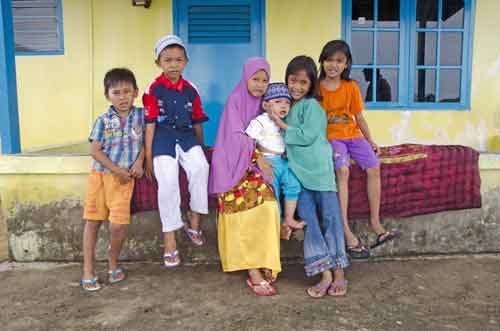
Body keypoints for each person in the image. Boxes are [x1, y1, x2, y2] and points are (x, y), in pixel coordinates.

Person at [270, 56, 349, 298]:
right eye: (293, 81)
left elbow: (307, 135)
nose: (296, 87)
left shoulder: (313, 106)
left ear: (311, 84)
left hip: (320, 173)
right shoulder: (285, 106)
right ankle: (324, 273)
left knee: (331, 220)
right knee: (311, 225)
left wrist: (282, 125)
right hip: (299, 175)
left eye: (303, 83)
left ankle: (339, 274)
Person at [318, 40, 399, 259]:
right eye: (329, 59)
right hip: (332, 139)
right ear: (322, 61)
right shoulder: (317, 89)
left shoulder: (351, 86)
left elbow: (359, 117)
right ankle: (345, 230)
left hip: (353, 135)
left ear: (346, 64)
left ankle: (376, 224)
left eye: (339, 61)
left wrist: (370, 140)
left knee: (374, 167)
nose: (333, 65)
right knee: (342, 171)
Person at [209, 58, 281, 296]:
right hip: (232, 168)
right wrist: (257, 156)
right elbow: (235, 137)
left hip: (253, 165)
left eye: (265, 80)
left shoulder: (265, 104)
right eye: (255, 79)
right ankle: (253, 271)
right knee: (246, 209)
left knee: (269, 206)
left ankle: (266, 260)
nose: (260, 85)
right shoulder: (235, 101)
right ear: (245, 78)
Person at [143, 35, 209, 267]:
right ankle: (169, 238)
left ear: (186, 62)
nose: (173, 65)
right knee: (168, 179)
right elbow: (150, 123)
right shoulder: (153, 89)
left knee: (201, 166)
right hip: (162, 138)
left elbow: (198, 120)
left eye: (178, 60)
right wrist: (148, 156)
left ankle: (195, 218)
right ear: (158, 62)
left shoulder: (191, 89)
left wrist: (200, 147)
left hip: (187, 136)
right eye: (167, 60)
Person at [81, 68, 145, 292]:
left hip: (124, 181)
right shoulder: (103, 121)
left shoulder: (141, 116)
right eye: (116, 92)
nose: (123, 97)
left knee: (117, 225)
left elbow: (147, 141)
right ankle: (88, 269)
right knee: (93, 222)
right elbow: (95, 151)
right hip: (101, 177)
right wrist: (116, 169)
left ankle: (112, 261)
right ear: (107, 94)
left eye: (127, 91)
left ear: (136, 92)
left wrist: (139, 162)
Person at [245, 82, 304, 240]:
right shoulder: (260, 121)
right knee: (273, 194)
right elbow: (248, 141)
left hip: (283, 161)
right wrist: (258, 157)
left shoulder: (286, 122)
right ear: (265, 105)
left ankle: (289, 218)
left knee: (294, 184)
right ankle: (277, 226)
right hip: (268, 162)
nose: (283, 106)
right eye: (278, 102)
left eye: (287, 102)